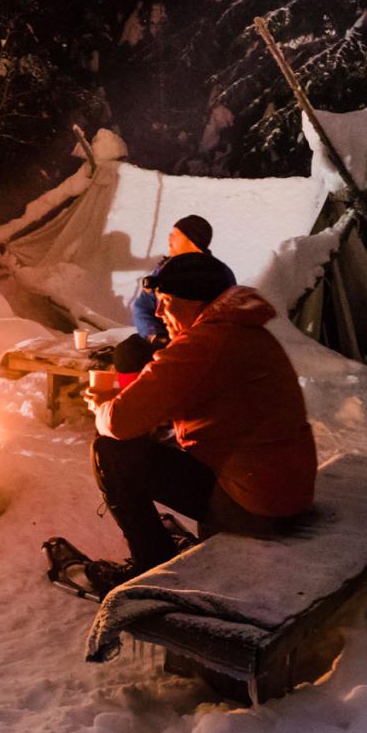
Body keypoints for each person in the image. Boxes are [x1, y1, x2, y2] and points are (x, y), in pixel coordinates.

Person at [81, 252, 317, 597]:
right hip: (286, 490)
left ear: (194, 302)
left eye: (166, 302)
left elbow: (118, 422)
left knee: (112, 450)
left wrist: (102, 405)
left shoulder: (206, 342)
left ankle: (151, 563)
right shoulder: (243, 330)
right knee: (162, 442)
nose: (159, 314)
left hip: (258, 506)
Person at [130, 214, 236, 343]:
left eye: (175, 233)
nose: (169, 237)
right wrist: (156, 335)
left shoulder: (218, 274)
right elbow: (143, 306)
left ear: (191, 239)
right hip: (166, 338)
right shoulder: (163, 269)